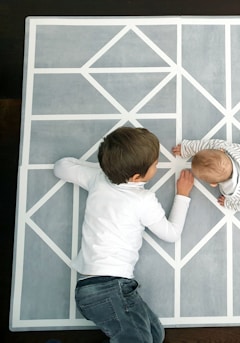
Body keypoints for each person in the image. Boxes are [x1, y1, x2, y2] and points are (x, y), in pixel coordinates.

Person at [54, 127, 194, 343]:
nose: (158, 165)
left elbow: (61, 167)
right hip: (110, 289)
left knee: (156, 335)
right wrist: (182, 195)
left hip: (101, 288)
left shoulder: (98, 177)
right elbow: (171, 233)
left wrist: (106, 170)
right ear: (137, 176)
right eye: (155, 164)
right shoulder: (143, 199)